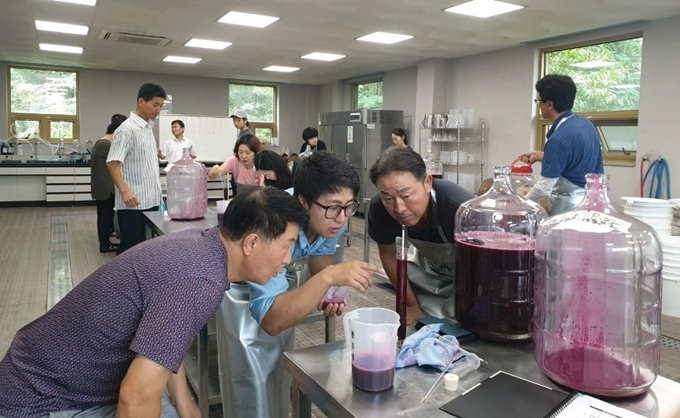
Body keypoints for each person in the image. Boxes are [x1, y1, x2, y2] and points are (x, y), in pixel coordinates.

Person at [0, 187, 309, 418]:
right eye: (287, 245)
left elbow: (163, 339)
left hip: (42, 374)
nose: (287, 260)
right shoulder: (199, 281)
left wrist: (185, 403)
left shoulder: (202, 246)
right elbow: (134, 398)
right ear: (252, 242)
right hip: (42, 400)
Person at [249, 151, 382, 336]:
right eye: (333, 207)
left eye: (349, 206)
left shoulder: (334, 218)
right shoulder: (274, 224)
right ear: (303, 201)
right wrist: (328, 277)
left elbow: (320, 253)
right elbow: (271, 320)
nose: (342, 218)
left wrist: (328, 293)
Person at [368, 146, 475, 323]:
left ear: (427, 182)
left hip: (470, 276)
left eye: (407, 195)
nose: (399, 208)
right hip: (431, 272)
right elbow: (388, 256)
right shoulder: (379, 209)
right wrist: (410, 305)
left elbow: (485, 270)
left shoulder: (458, 209)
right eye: (388, 198)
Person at [520, 74, 604, 216]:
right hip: (594, 203)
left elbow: (544, 188)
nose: (538, 105)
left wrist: (521, 206)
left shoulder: (558, 139)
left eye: (538, 100)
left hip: (569, 208)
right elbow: (576, 159)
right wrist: (543, 156)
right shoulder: (585, 124)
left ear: (549, 104)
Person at [106, 83, 166, 255]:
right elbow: (112, 163)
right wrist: (125, 191)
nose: (158, 110)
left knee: (147, 250)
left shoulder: (147, 128)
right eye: (155, 105)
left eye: (161, 106)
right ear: (141, 101)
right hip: (133, 204)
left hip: (151, 200)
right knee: (130, 251)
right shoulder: (127, 129)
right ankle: (122, 281)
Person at [91, 114, 127, 253]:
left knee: (102, 216)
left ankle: (104, 242)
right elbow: (116, 164)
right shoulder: (107, 145)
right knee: (106, 217)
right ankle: (104, 245)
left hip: (100, 188)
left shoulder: (100, 142)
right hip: (107, 189)